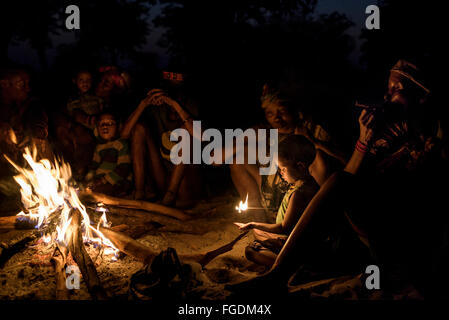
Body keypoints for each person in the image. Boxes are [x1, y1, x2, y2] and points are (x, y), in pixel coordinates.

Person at [228, 59, 440, 298]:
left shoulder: (433, 132)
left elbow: (409, 189)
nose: (387, 95)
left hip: (400, 226)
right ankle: (301, 262)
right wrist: (364, 140)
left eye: (397, 89)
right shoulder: (388, 127)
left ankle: (281, 274)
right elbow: (353, 177)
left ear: (422, 96)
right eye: (388, 88)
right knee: (257, 247)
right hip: (368, 219)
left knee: (337, 181)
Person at [229, 84, 346, 222]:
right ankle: (258, 221)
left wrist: (314, 142)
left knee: (318, 156)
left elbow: (347, 163)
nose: (277, 118)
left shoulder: (311, 129)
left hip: (306, 196)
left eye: (282, 111)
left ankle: (326, 218)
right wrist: (244, 142)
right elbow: (214, 159)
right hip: (273, 196)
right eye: (270, 114)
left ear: (294, 110)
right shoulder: (264, 132)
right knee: (238, 160)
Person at [234, 135, 319, 267]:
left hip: (294, 241)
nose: (280, 173)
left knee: (250, 251)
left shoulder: (298, 194)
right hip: (299, 238)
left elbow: (284, 227)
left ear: (301, 166)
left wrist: (253, 224)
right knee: (258, 233)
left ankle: (290, 266)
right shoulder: (309, 184)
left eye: (283, 169)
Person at [85, 112, 132, 196]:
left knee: (97, 192)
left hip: (117, 180)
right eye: (101, 124)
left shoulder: (121, 144)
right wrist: (89, 178)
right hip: (100, 181)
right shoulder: (99, 147)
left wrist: (103, 180)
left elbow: (123, 168)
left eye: (110, 123)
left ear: (118, 127)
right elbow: (94, 166)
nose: (105, 126)